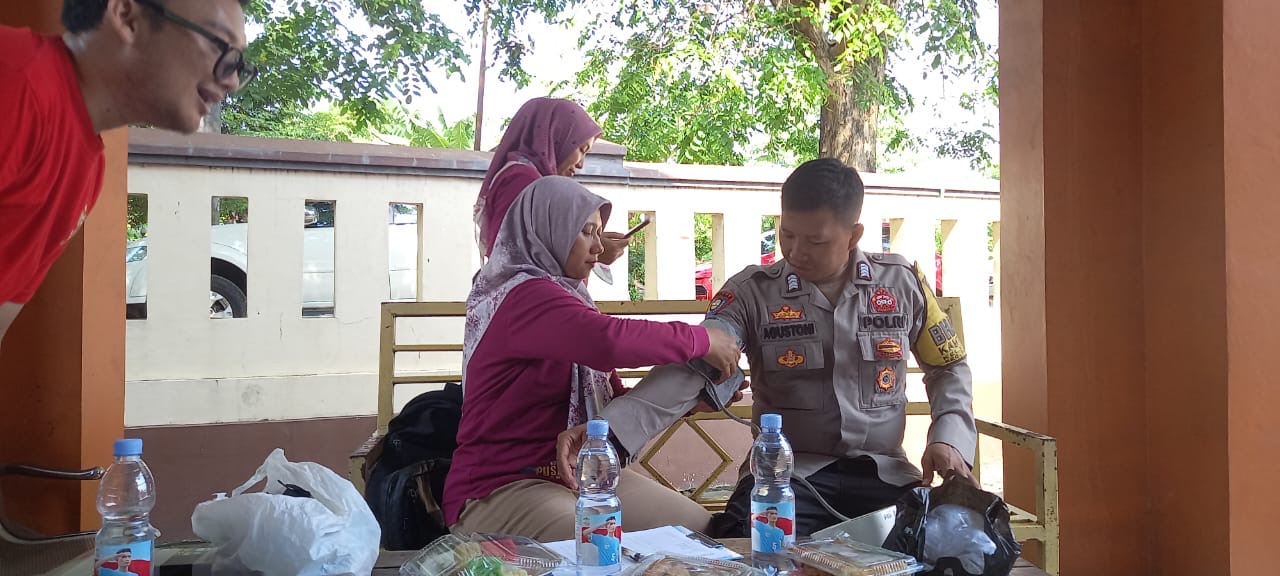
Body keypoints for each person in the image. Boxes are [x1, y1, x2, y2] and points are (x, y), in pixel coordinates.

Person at [560, 158, 977, 538]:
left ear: (853, 235)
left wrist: (950, 439)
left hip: (885, 474)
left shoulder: (901, 284)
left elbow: (949, 366)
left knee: (956, 544)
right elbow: (695, 367)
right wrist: (609, 434)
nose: (795, 252)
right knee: (742, 546)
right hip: (787, 476)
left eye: (815, 241)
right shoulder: (752, 293)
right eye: (787, 234)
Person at [445, 176, 741, 541]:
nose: (599, 247)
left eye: (599, 233)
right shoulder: (522, 296)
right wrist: (702, 339)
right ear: (548, 230)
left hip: (584, 475)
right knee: (596, 542)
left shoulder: (570, 298)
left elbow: (611, 399)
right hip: (505, 485)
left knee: (701, 531)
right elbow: (608, 341)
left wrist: (691, 402)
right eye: (587, 232)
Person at [0, 0, 253, 350]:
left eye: (239, 64)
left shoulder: (88, 168)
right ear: (127, 17)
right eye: (219, 45)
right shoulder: (15, 82)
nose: (232, 80)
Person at [472, 97, 629, 264]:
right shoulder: (524, 181)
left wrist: (586, 240)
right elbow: (513, 257)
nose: (581, 164)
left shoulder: (526, 177)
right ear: (557, 137)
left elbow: (540, 245)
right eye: (582, 150)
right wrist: (591, 250)